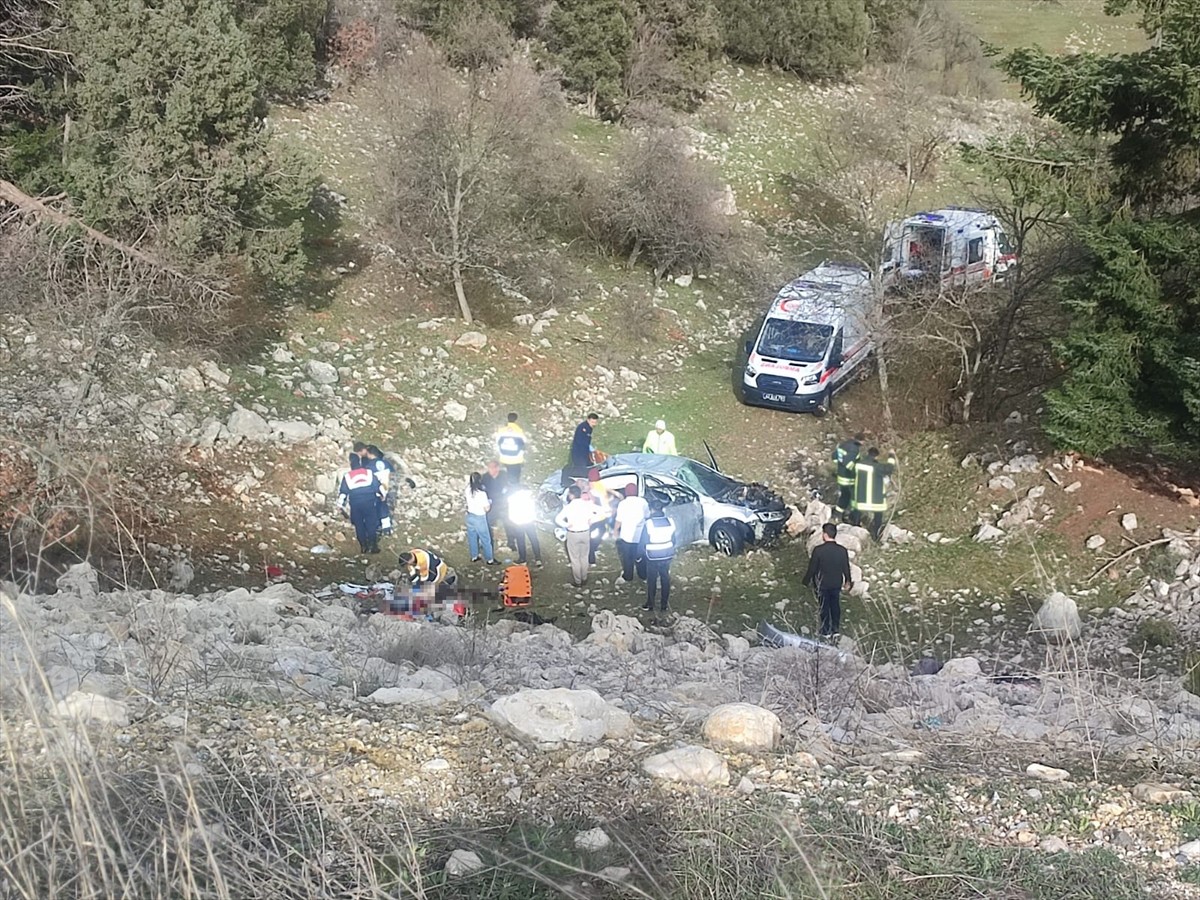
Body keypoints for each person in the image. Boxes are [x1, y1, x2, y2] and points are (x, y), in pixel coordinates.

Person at [802, 522, 853, 637]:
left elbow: (812, 568)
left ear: (825, 535)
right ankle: (835, 629)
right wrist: (848, 580)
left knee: (824, 606)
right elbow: (846, 567)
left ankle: (825, 630)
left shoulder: (818, 550)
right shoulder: (842, 550)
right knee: (835, 605)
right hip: (836, 583)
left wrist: (806, 581)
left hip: (822, 583)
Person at [555, 484, 604, 586]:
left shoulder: (568, 507)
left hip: (573, 533)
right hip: (585, 532)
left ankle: (578, 581)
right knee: (584, 556)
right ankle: (584, 577)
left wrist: (567, 525)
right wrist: (592, 520)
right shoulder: (587, 504)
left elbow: (558, 519)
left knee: (575, 558)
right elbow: (601, 512)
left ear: (571, 495)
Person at [336, 462, 385, 554]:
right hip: (369, 503)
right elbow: (378, 487)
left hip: (355, 505)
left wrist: (340, 505)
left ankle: (363, 546)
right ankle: (373, 546)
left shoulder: (347, 476)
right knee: (371, 524)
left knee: (359, 525)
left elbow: (343, 493)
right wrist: (383, 496)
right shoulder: (369, 473)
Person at [850, 447, 897, 541]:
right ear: (876, 456)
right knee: (878, 517)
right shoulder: (876, 467)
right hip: (875, 500)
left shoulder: (858, 464)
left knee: (857, 514)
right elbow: (889, 468)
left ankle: (855, 531)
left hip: (861, 498)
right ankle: (876, 535)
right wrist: (891, 456)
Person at [642, 500, 677, 612]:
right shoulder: (670, 521)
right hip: (666, 554)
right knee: (665, 578)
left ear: (652, 509)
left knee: (652, 580)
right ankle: (664, 605)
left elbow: (644, 541)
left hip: (652, 555)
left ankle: (650, 603)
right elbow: (674, 539)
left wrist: (639, 555)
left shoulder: (649, 523)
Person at [613, 483, 649, 584]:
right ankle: (643, 574)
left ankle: (628, 575)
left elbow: (619, 520)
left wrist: (615, 530)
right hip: (640, 534)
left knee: (627, 557)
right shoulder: (643, 502)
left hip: (627, 534)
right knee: (641, 555)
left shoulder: (623, 503)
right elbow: (647, 515)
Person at [481, 459, 515, 552]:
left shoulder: (504, 475)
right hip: (492, 505)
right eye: (490, 468)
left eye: (493, 468)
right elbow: (483, 491)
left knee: (508, 523)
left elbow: (510, 488)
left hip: (503, 504)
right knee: (487, 523)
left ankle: (511, 542)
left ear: (497, 468)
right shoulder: (485, 478)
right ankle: (487, 543)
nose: (491, 470)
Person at [506, 485, 543, 567]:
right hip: (529, 522)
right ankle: (538, 558)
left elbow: (511, 514)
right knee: (534, 539)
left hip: (518, 523)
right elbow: (534, 512)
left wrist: (513, 521)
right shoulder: (530, 499)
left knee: (520, 541)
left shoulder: (512, 499)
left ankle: (522, 559)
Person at [465, 472, 497, 564]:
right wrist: (489, 502)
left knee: (472, 537)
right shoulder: (482, 494)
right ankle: (490, 559)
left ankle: (474, 556)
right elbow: (486, 509)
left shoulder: (467, 489)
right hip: (479, 518)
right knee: (485, 539)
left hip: (470, 516)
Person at [833, 433, 864, 522]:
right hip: (848, 478)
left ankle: (838, 514)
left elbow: (834, 457)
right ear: (861, 441)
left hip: (841, 476)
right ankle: (850, 517)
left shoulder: (843, 445)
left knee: (844, 496)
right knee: (850, 497)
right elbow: (848, 464)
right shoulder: (854, 449)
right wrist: (856, 471)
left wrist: (840, 467)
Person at [495, 413, 527, 484]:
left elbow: (497, 442)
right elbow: (523, 443)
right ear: (516, 419)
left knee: (505, 478)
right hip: (516, 459)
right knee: (515, 479)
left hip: (504, 458)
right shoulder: (519, 431)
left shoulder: (502, 430)